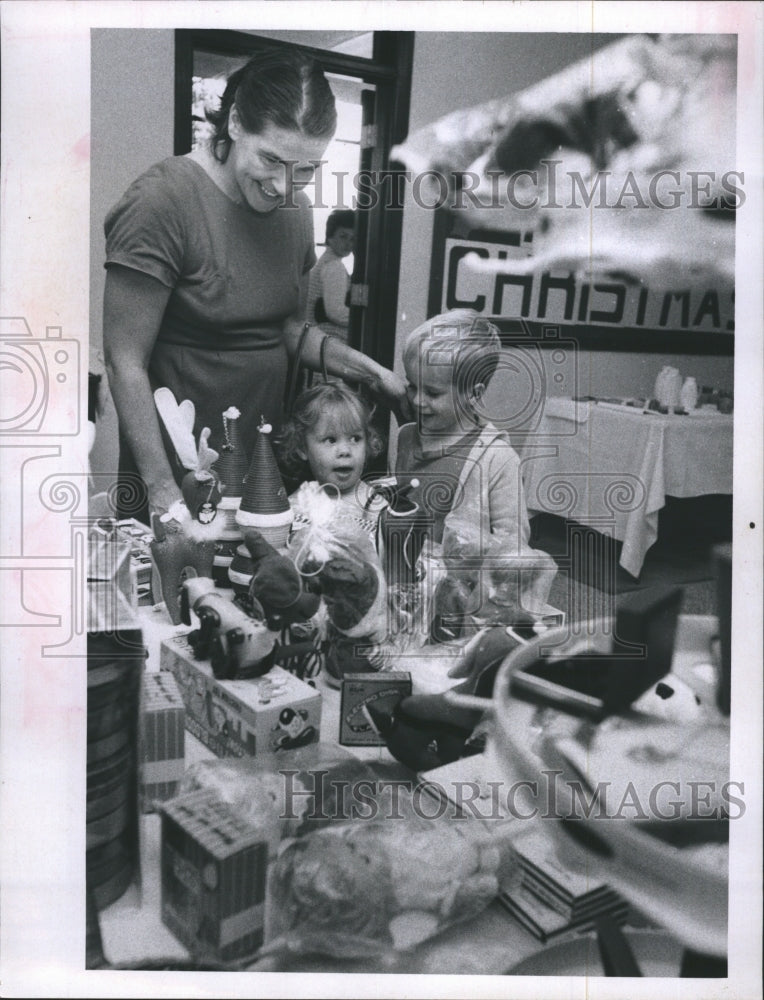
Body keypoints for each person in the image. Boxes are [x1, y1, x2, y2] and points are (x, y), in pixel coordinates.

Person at [103, 48, 405, 527]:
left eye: (306, 168)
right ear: (237, 122)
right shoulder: (162, 201)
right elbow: (125, 362)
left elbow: (286, 328)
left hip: (262, 451)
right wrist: (162, 490)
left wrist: (372, 373)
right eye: (271, 158)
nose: (285, 186)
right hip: (181, 458)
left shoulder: (298, 212)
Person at [396, 308, 556, 616]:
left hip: (463, 597)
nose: (417, 401)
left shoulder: (498, 459)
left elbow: (513, 549)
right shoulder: (405, 437)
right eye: (412, 386)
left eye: (432, 392)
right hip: (406, 583)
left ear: (474, 392)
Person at [278, 380, 387, 541]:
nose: (345, 451)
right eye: (331, 440)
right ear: (302, 448)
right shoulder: (297, 506)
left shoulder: (375, 506)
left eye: (355, 439)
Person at [306, 209, 355, 342]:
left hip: (315, 337)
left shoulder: (325, 262)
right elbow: (336, 312)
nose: (348, 244)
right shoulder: (334, 266)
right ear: (330, 237)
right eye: (343, 236)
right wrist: (362, 319)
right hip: (328, 339)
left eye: (352, 239)